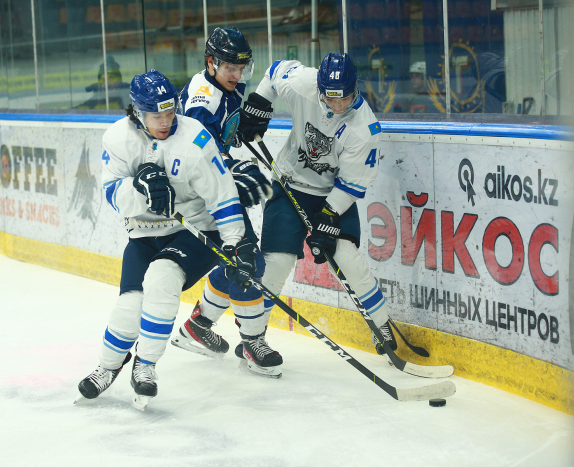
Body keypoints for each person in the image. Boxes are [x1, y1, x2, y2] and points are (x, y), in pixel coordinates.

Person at [76, 70, 254, 410]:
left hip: (194, 230)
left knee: (162, 277)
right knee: (129, 305)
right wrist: (140, 189)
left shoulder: (195, 139)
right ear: (136, 112)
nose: (165, 120)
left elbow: (223, 196)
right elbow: (112, 194)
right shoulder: (117, 139)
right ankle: (108, 367)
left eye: (170, 112)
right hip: (144, 233)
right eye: (156, 114)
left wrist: (234, 242)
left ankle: (145, 365)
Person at [235, 53, 397, 359]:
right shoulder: (302, 83)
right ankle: (253, 339)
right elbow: (272, 73)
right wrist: (260, 100)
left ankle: (381, 325)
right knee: (277, 263)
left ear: (355, 89)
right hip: (288, 184)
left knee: (349, 258)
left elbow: (351, 182)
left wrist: (329, 214)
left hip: (332, 194)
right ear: (320, 88)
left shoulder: (365, 129)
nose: (337, 106)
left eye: (344, 99)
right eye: (330, 99)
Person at [170, 27, 279, 378]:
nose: (237, 74)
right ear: (211, 62)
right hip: (202, 193)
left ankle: (198, 326)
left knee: (236, 260)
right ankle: (251, 342)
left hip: (217, 187)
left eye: (242, 67)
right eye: (230, 67)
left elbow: (223, 136)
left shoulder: (226, 84)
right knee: (248, 260)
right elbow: (199, 156)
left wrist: (243, 127)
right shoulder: (204, 99)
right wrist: (233, 166)